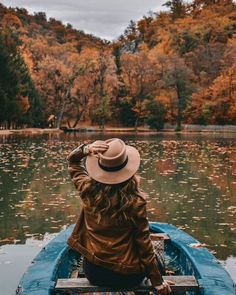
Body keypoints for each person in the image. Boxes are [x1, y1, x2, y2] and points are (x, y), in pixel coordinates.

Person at [67, 138, 174, 294]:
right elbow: (144, 246)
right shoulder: (136, 202)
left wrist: (86, 149)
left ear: (99, 166)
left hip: (95, 273)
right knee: (156, 260)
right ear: (128, 170)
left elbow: (72, 162)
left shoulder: (86, 189)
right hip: (128, 276)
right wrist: (157, 281)